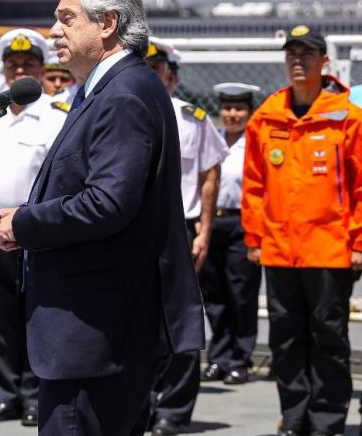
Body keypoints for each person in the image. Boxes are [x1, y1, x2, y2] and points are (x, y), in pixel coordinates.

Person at [0, 0, 205, 435]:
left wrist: (24, 224)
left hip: (98, 329)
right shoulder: (107, 89)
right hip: (95, 325)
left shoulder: (124, 93)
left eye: (66, 19)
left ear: (108, 23)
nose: (54, 32)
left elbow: (108, 203)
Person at [242, 25, 362, 436]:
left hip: (330, 250)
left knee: (329, 338)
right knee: (285, 340)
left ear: (323, 61)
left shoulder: (347, 117)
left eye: (307, 54)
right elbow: (254, 185)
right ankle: (295, 419)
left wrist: (359, 243)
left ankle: (327, 422)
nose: (298, 60)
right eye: (291, 53)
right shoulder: (267, 117)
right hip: (278, 251)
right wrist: (254, 239)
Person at [0, 28, 66, 427]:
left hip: (32, 230)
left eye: (27, 65)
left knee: (33, 316)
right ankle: (5, 392)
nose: (19, 70)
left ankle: (32, 393)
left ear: (41, 71)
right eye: (12, 66)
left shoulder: (55, 117)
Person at [144, 37, 228, 436]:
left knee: (180, 324)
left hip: (182, 228)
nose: (150, 75)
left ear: (171, 76)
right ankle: (141, 403)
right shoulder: (122, 111)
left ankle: (173, 412)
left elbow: (211, 173)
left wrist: (205, 231)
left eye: (157, 69)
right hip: (135, 230)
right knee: (135, 322)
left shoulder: (191, 118)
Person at [200, 82, 262, 386]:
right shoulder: (214, 138)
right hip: (213, 222)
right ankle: (218, 357)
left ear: (249, 112)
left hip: (242, 223)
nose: (232, 114)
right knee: (213, 294)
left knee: (242, 294)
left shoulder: (255, 142)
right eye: (227, 108)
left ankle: (241, 359)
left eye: (239, 109)